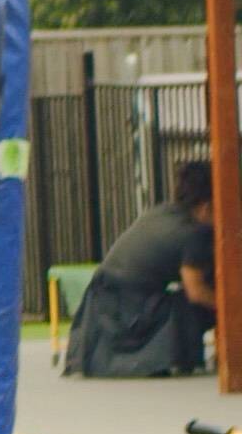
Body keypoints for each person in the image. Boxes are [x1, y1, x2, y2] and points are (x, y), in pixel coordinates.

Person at [65, 156, 215, 379]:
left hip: (101, 303)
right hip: (133, 312)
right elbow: (196, 291)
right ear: (207, 206)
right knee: (198, 301)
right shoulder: (196, 233)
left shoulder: (162, 212)